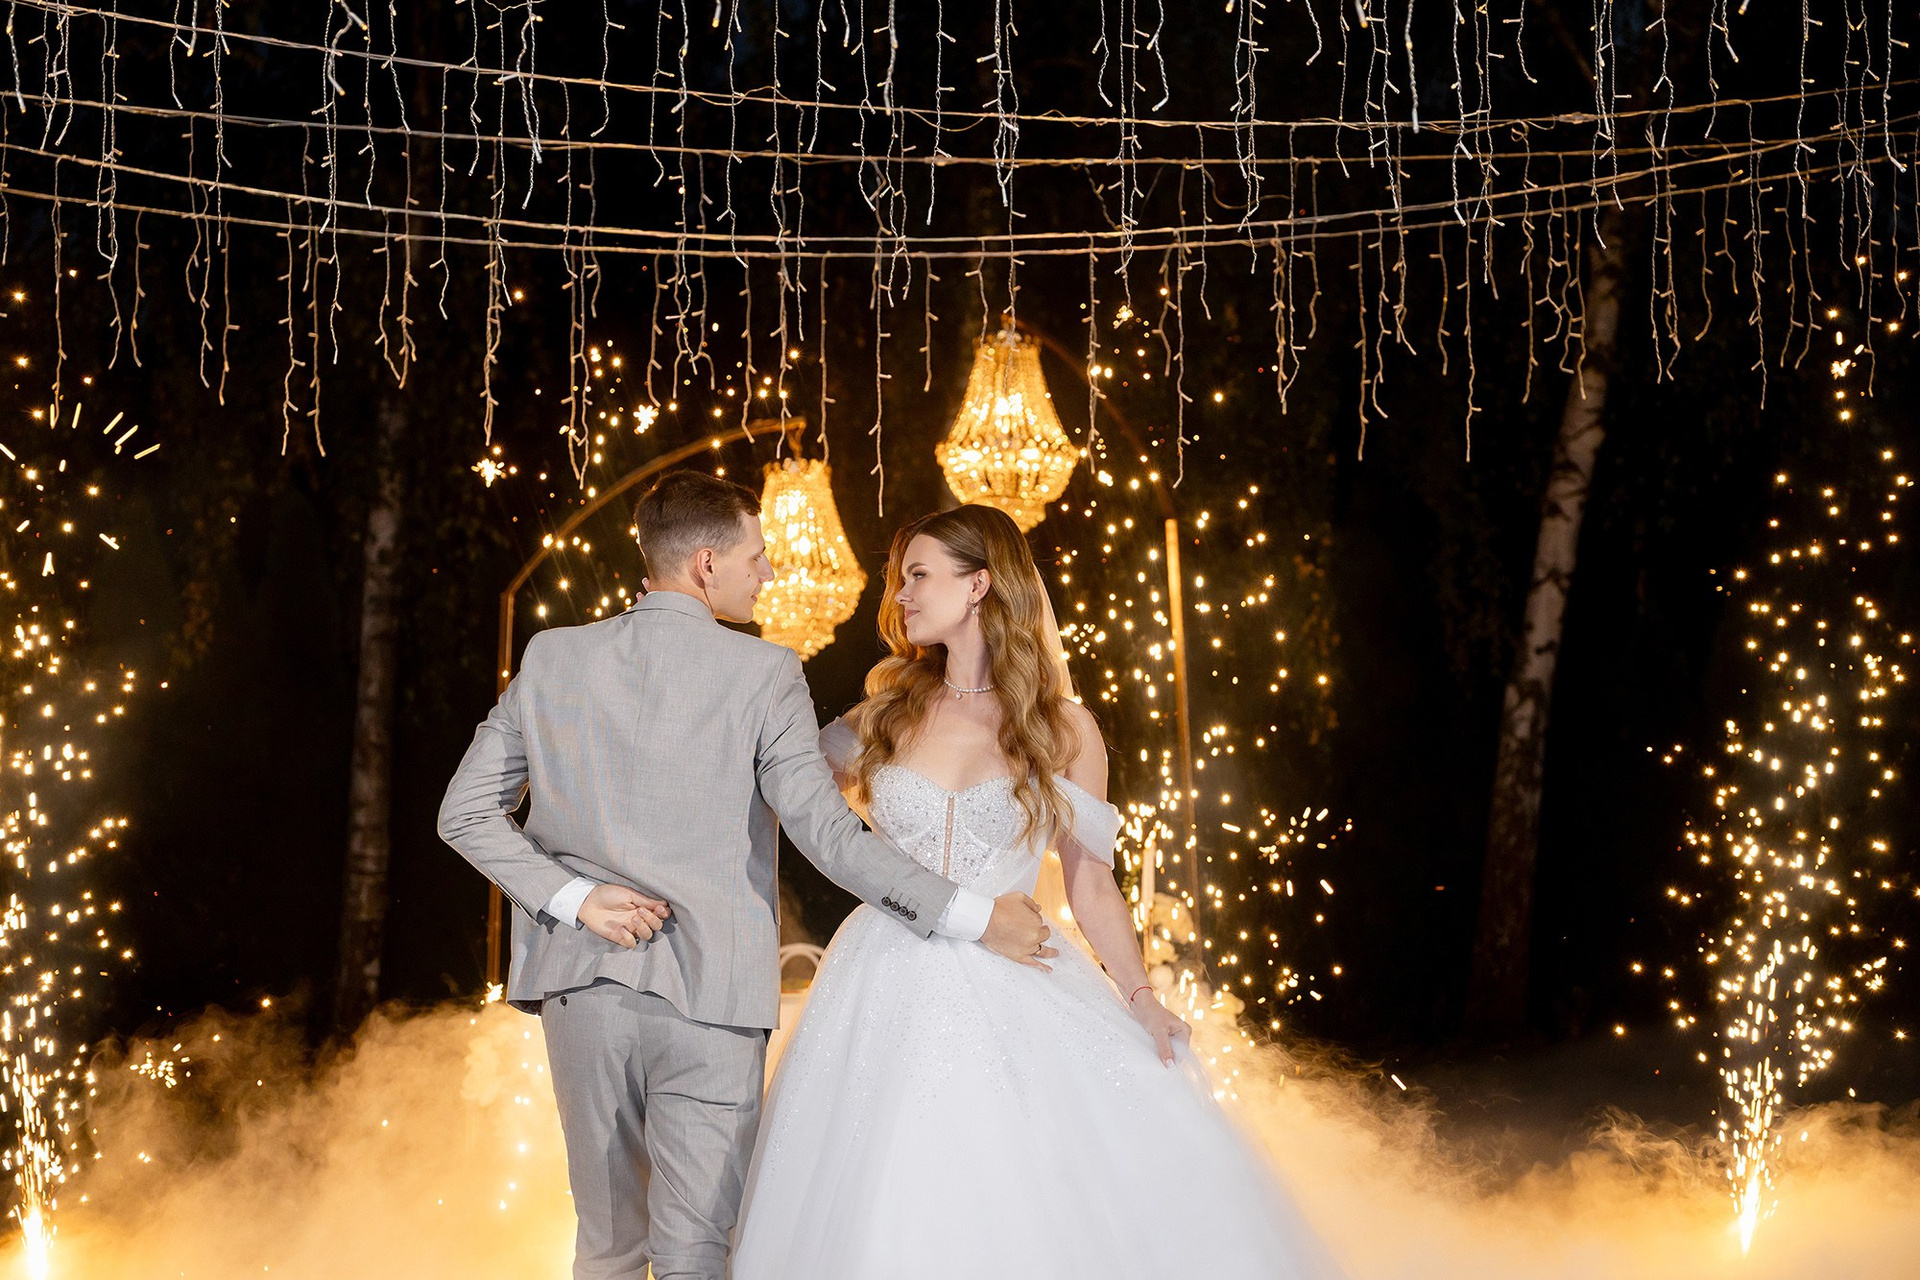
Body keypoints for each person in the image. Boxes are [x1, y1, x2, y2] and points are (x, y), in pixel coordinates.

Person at [436, 473, 1054, 1280]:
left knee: (607, 1245)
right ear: (705, 564)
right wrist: (975, 915)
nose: (767, 573)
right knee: (695, 1253)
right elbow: (829, 837)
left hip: (582, 985)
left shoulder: (554, 656)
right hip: (713, 996)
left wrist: (577, 898)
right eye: (756, 557)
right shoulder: (765, 672)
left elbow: (464, 814)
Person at [731, 503, 1346, 1280]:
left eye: (918, 575)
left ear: (979, 584)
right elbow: (777, 792)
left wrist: (1141, 995)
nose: (901, 596)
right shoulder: (879, 717)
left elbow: (1093, 883)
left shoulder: (1065, 730)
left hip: (1018, 972)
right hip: (881, 974)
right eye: (899, 580)